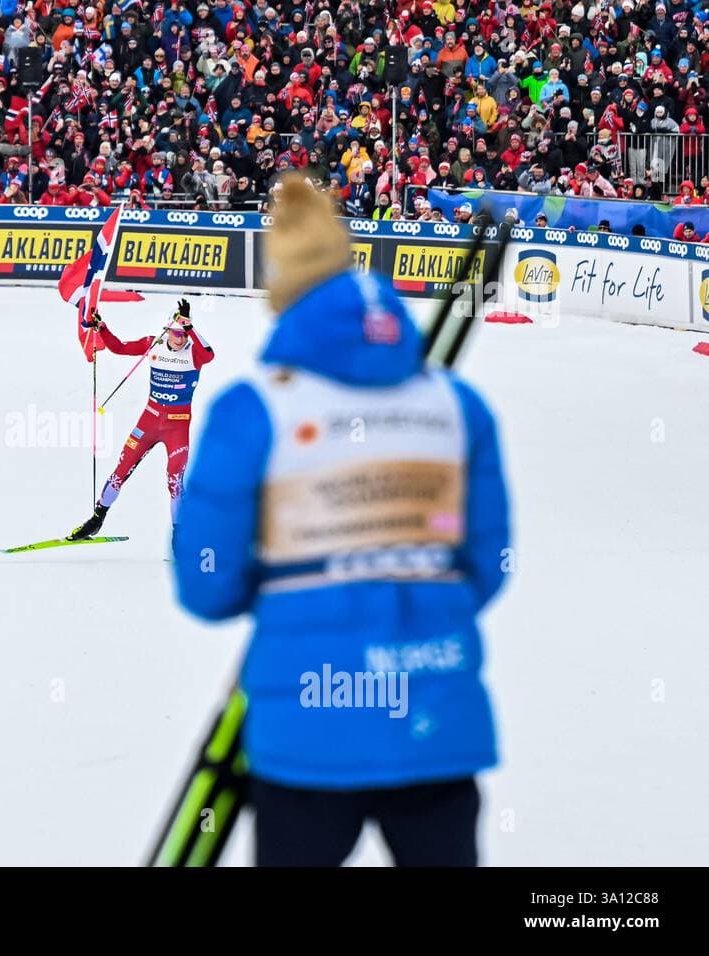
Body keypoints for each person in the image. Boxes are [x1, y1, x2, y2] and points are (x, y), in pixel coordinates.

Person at [172, 175, 511, 867]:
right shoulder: (456, 405)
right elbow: (484, 567)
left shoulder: (254, 407)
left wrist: (304, 582)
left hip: (303, 738)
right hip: (436, 722)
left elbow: (206, 587)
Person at [67, 299, 214, 541]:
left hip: (177, 427)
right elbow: (118, 347)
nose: (181, 339)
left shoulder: (194, 354)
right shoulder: (152, 345)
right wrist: (101, 327)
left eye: (184, 334)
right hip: (149, 422)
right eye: (176, 333)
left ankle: (180, 534)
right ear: (167, 330)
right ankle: (96, 519)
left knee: (174, 482)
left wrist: (190, 327)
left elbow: (209, 355)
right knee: (120, 471)